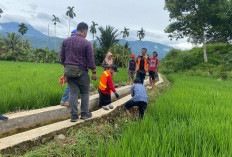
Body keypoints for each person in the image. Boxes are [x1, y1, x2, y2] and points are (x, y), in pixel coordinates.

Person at [60, 22, 97, 122]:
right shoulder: (86, 43)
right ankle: (84, 114)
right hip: (82, 72)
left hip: (68, 71)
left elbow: (62, 58)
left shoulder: (66, 41)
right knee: (85, 93)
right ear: (85, 31)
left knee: (73, 93)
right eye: (86, 32)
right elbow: (91, 60)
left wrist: (67, 67)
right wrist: (94, 72)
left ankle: (74, 116)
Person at [60, 29, 77, 107]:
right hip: (70, 67)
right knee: (70, 84)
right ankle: (64, 100)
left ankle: (72, 100)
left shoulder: (68, 42)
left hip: (70, 67)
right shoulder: (72, 44)